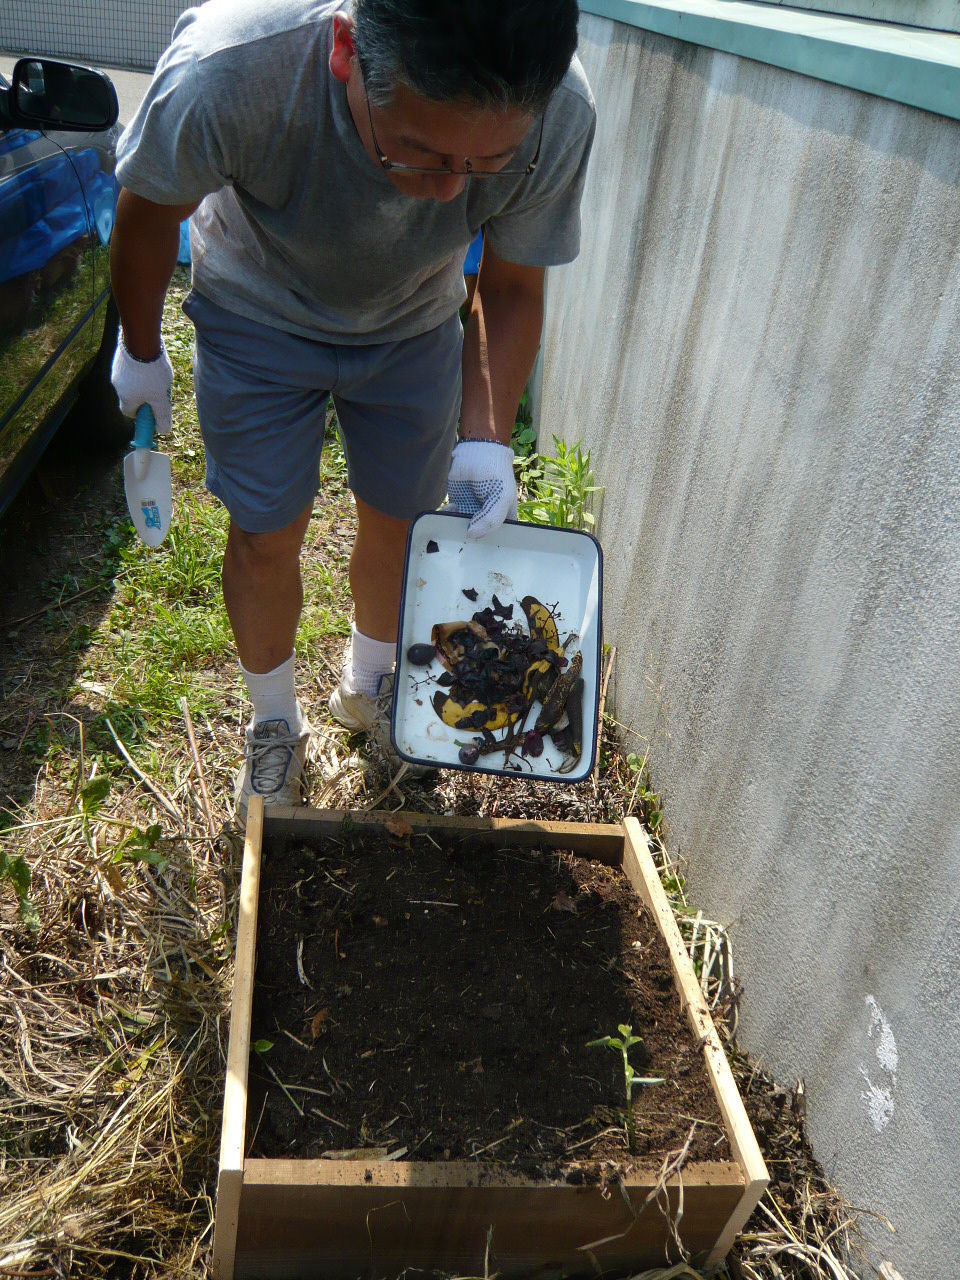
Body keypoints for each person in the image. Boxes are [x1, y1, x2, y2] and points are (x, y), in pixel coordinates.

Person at [109, 0, 596, 815]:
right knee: (266, 531)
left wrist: (487, 436)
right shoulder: (231, 70)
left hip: (413, 321)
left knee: (404, 522)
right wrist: (141, 350)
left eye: (487, 164)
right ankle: (274, 725)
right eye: (418, 152)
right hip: (256, 307)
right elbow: (149, 211)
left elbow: (510, 286)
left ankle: (369, 683)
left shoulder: (558, 109)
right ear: (345, 52)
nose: (447, 194)